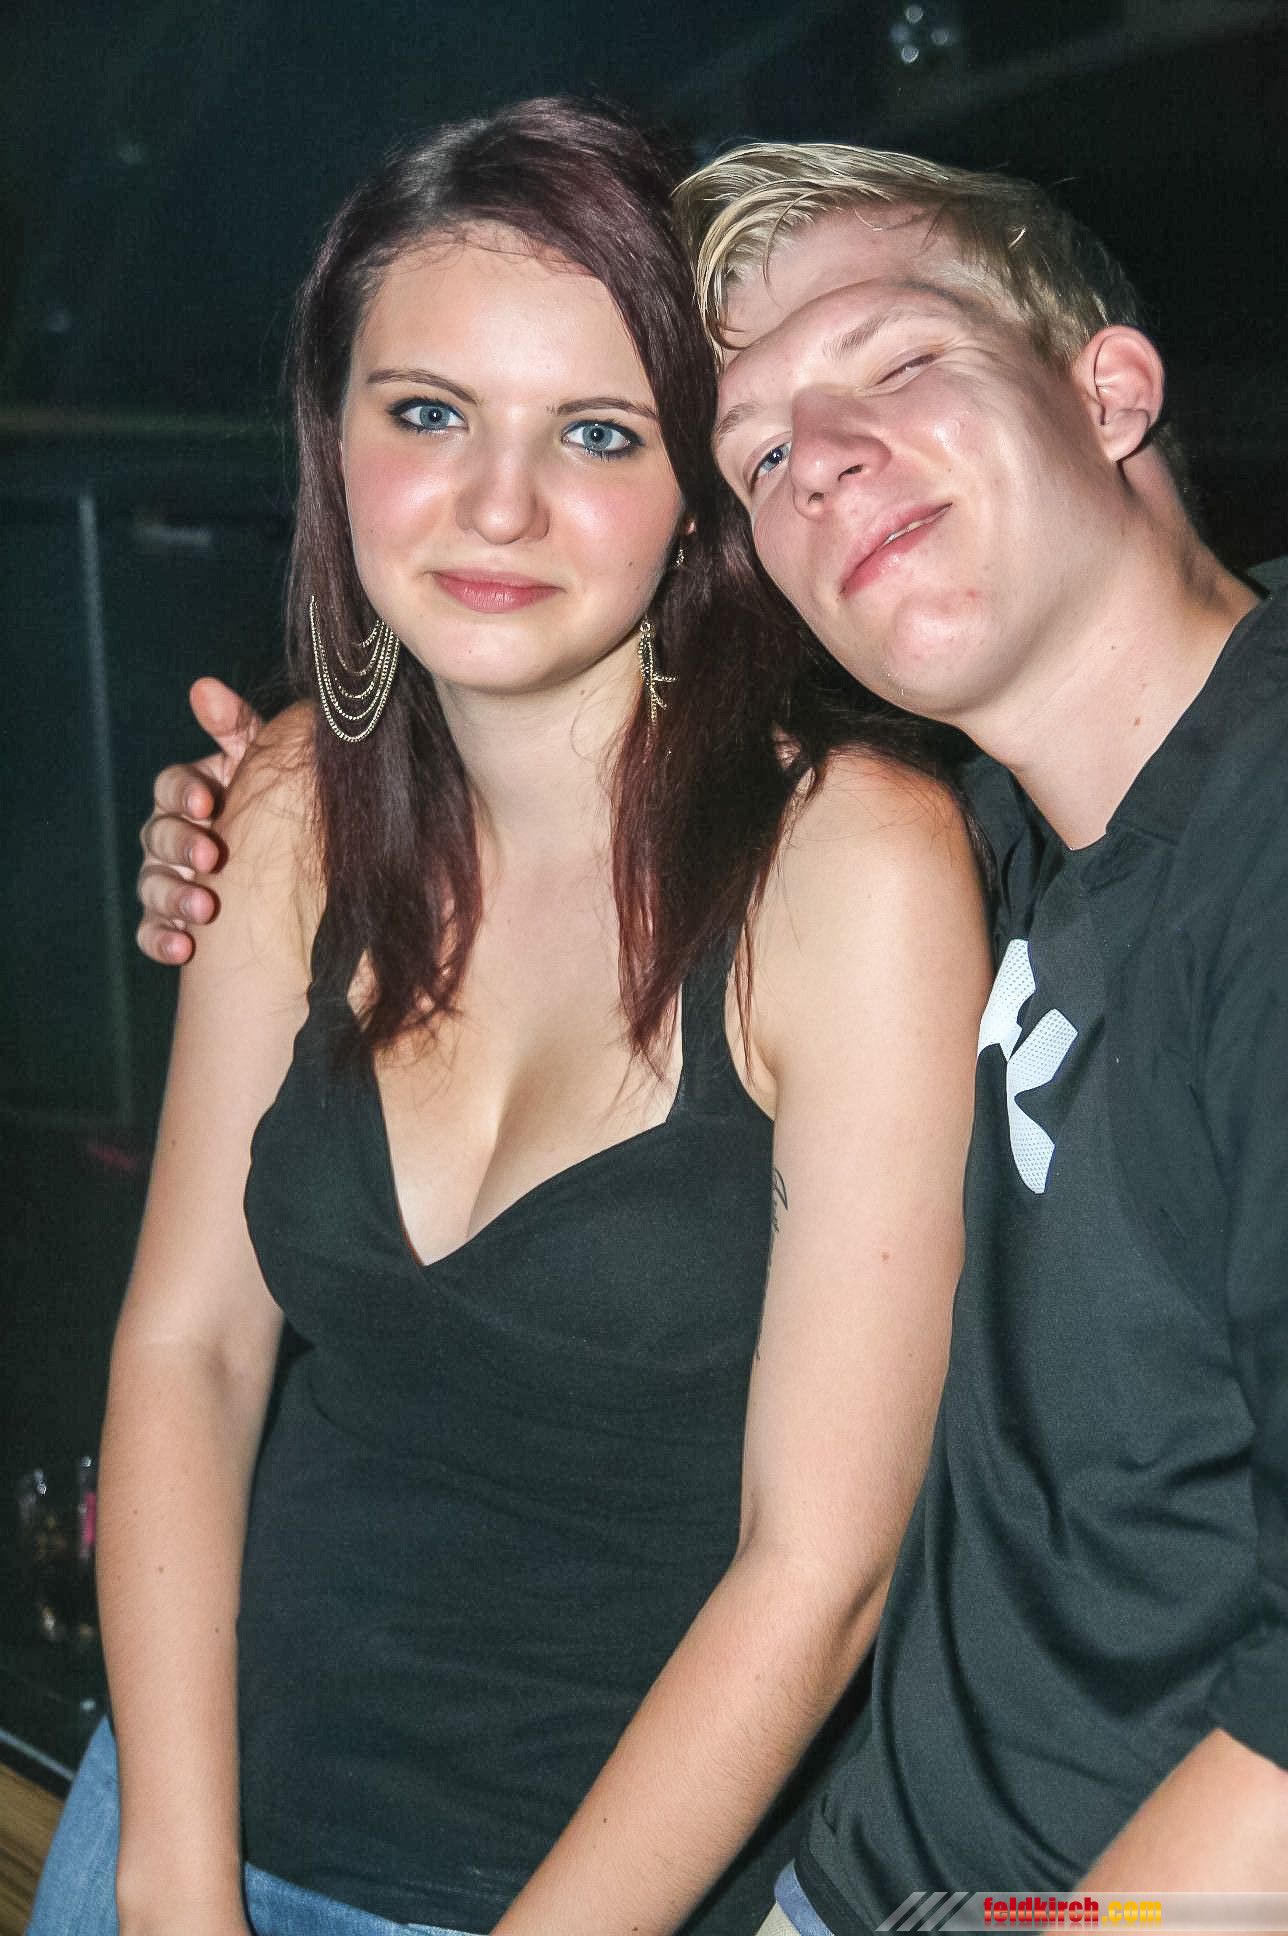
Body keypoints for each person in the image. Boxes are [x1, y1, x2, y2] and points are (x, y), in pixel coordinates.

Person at [33, 105, 993, 1936]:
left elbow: (821, 1571)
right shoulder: (289, 806)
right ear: (333, 439)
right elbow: (188, 1352)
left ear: (699, 485)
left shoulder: (853, 868)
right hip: (194, 1812)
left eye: (598, 434)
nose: (495, 506)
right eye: (426, 413)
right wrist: (168, 1876)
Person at [668, 144, 1288, 1927]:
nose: (817, 461)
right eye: (759, 457)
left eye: (896, 359)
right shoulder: (986, 840)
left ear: (1109, 393)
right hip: (863, 1865)